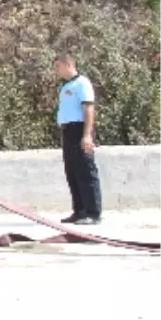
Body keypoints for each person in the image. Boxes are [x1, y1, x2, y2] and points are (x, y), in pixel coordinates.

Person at [53, 54, 101, 226]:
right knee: (72, 171)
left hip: (79, 129)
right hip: (67, 131)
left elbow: (88, 108)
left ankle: (93, 212)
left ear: (67, 64)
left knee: (86, 172)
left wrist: (87, 135)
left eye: (58, 66)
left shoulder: (82, 83)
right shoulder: (65, 86)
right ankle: (79, 210)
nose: (56, 70)